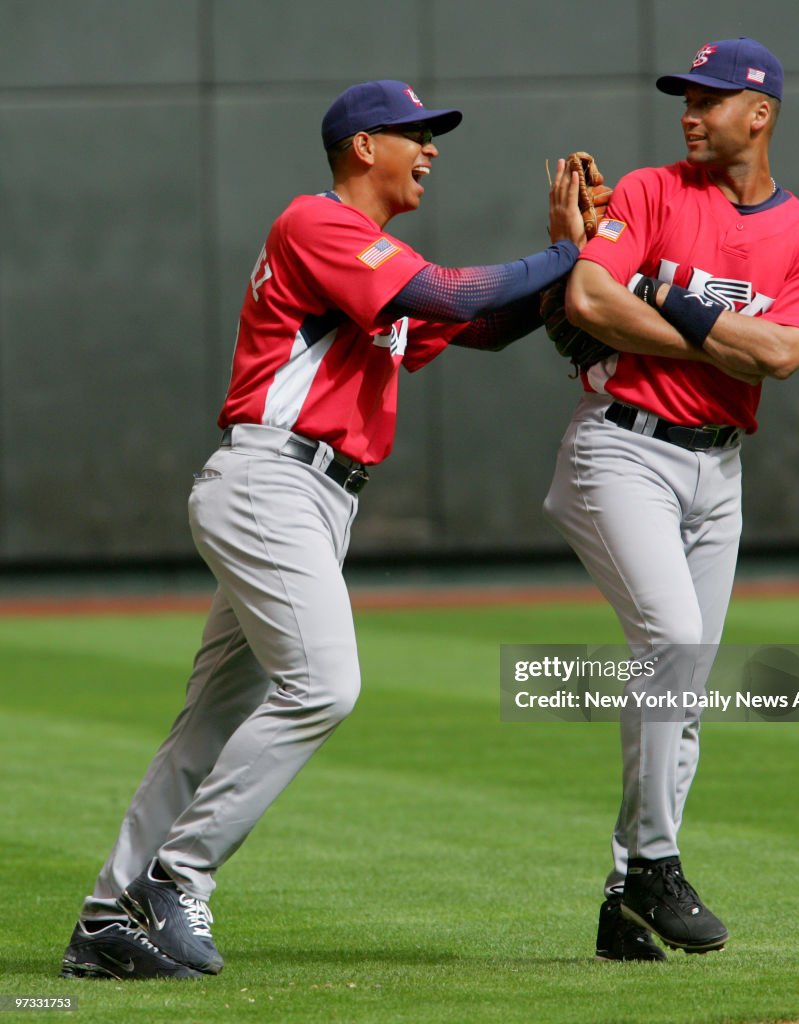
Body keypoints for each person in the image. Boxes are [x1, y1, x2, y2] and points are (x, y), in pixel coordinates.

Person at [59, 79, 588, 980]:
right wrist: (568, 250)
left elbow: (483, 326)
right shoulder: (320, 226)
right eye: (413, 134)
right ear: (361, 147)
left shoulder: (373, 258)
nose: (430, 149)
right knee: (325, 685)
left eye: (432, 136)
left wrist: (566, 273)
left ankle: (108, 919)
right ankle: (173, 878)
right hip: (273, 481)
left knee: (207, 727)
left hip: (306, 498)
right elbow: (453, 293)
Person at [543, 38, 799, 961]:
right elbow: (591, 299)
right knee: (670, 641)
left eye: (710, 98)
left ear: (759, 114)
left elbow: (787, 355)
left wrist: (671, 302)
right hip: (621, 450)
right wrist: (719, 337)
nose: (690, 111)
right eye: (686, 95)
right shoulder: (646, 192)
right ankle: (655, 866)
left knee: (683, 685)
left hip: (719, 474)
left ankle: (624, 901)